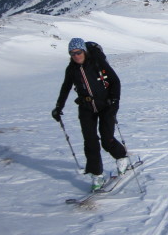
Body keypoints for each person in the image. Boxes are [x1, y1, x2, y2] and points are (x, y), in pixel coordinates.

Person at [52, 38, 129, 190]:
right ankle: (97, 175)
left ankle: (121, 157)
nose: (76, 56)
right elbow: (65, 88)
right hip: (86, 107)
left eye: (78, 52)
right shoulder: (72, 69)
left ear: (84, 51)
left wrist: (114, 100)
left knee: (106, 139)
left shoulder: (98, 63)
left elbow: (115, 81)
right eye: (72, 53)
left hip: (106, 105)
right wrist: (58, 107)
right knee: (90, 142)